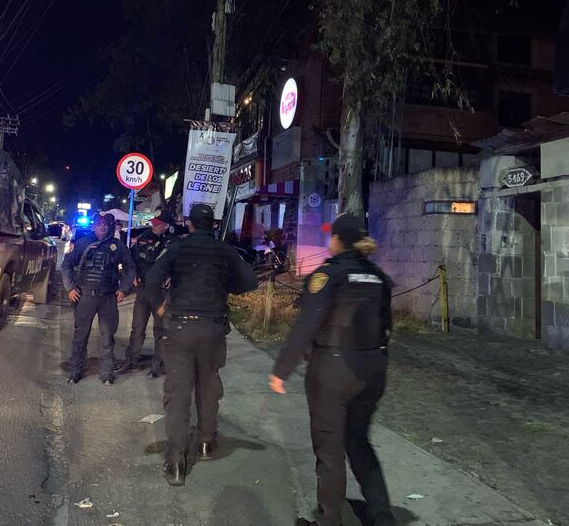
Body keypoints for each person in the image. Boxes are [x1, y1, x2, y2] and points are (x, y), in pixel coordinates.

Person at [269, 214, 395, 526]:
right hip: (372, 368)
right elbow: (387, 326)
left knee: (329, 450)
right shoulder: (378, 276)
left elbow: (307, 325)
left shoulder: (328, 275)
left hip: (334, 370)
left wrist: (282, 370)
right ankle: (383, 518)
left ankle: (330, 520)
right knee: (359, 443)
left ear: (339, 239)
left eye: (332, 236)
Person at [145, 203, 258, 487]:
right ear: (213, 225)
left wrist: (159, 307)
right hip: (212, 330)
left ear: (190, 224)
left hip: (181, 328)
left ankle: (176, 463)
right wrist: (223, 284)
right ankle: (206, 442)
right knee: (208, 387)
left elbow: (151, 280)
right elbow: (250, 281)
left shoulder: (177, 249)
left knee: (178, 394)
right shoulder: (225, 251)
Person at [61, 214, 135, 385]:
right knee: (80, 336)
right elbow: (66, 265)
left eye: (105, 224)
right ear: (94, 226)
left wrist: (124, 289)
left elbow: (130, 268)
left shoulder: (117, 246)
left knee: (107, 337)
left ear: (110, 227)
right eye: (99, 224)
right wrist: (71, 287)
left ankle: (107, 373)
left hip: (108, 298)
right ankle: (75, 371)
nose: (102, 227)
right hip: (85, 296)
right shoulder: (82, 243)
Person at [120, 209, 175, 378]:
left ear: (166, 226)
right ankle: (131, 361)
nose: (154, 225)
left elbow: (179, 264)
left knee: (161, 330)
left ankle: (157, 366)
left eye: (157, 224)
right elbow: (132, 259)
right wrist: (133, 275)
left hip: (161, 293)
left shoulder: (173, 243)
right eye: (153, 222)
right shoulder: (143, 237)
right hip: (143, 290)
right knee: (137, 328)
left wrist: (173, 276)